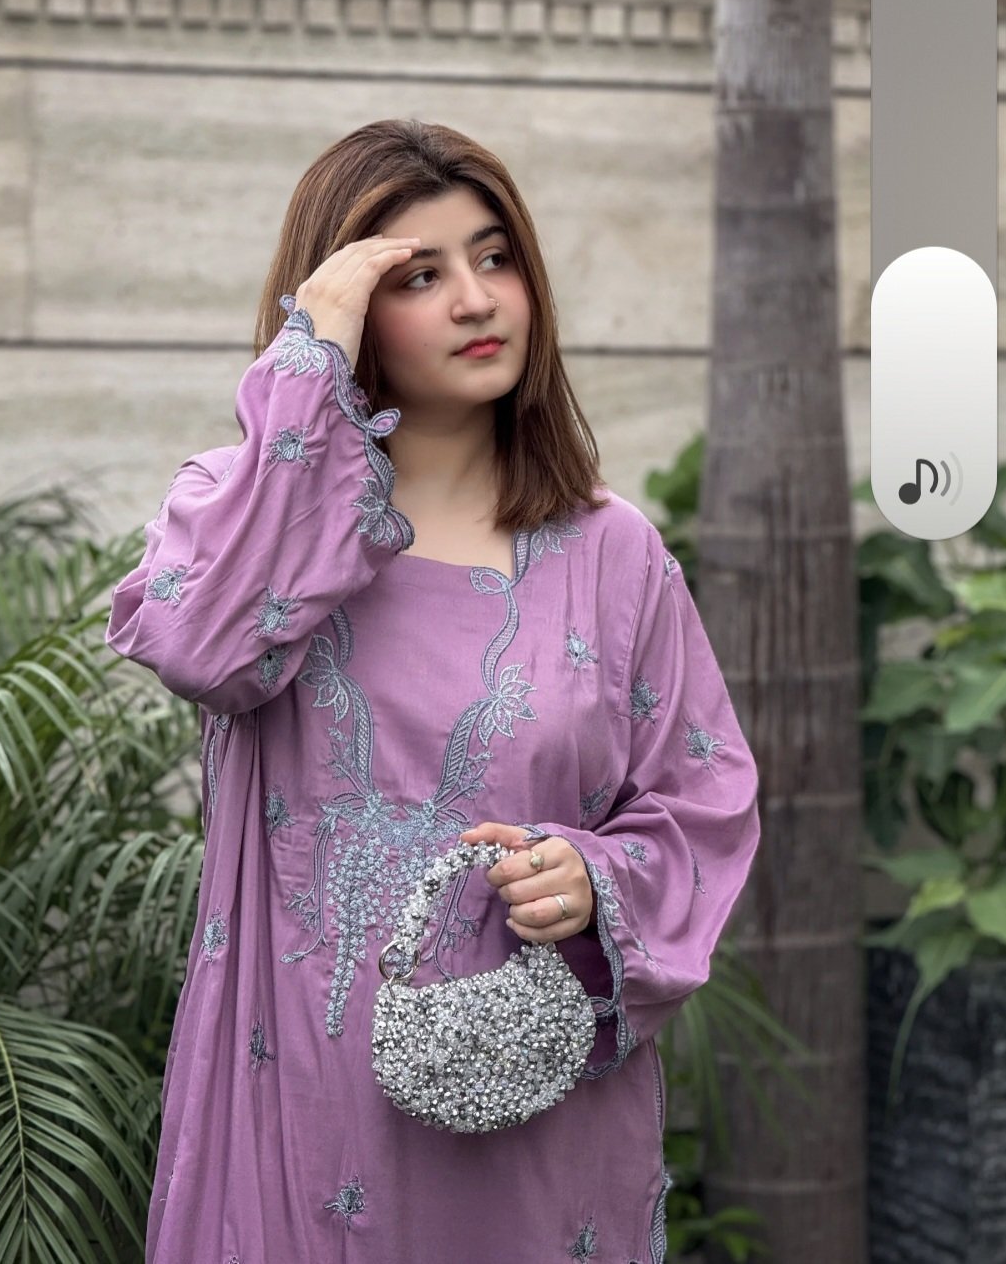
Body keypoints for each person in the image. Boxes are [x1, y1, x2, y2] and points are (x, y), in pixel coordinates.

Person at [105, 117, 761, 1264]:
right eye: (419, 275)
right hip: (302, 1113)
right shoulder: (244, 516)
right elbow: (205, 646)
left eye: (495, 258)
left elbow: (704, 804)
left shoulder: (611, 551)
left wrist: (593, 878)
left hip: (540, 1121)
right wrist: (310, 359)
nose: (475, 299)